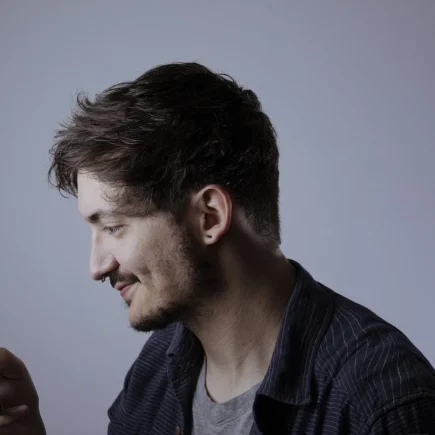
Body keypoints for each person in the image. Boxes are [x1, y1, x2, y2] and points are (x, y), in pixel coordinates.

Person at [1, 62, 434, 435]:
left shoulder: (383, 403)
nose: (96, 267)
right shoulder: (160, 365)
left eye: (113, 227)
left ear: (209, 217)